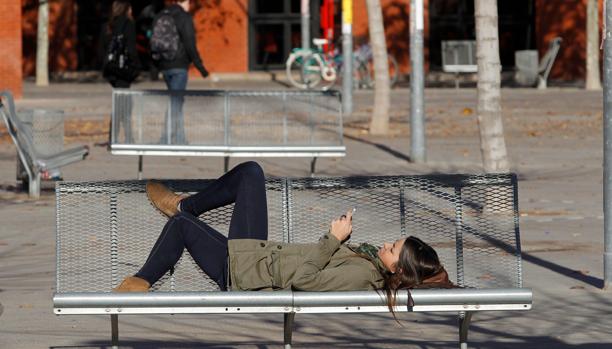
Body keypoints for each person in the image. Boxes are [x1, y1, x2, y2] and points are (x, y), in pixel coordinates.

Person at [114, 162, 453, 309]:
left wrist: (333, 239)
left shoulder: (363, 274)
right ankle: (186, 206)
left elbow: (305, 282)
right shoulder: (368, 264)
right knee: (251, 173)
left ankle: (138, 282)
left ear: (397, 270)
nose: (386, 244)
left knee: (179, 227)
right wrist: (340, 242)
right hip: (258, 258)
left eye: (392, 249)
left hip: (244, 275)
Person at [151, 0, 209, 144]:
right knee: (175, 102)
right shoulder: (184, 16)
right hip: (179, 66)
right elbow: (190, 43)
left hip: (164, 65)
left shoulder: (160, 15)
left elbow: (153, 41)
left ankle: (180, 138)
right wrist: (200, 67)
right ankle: (165, 138)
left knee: (176, 101)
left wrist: (155, 67)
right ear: (186, 2)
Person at [99, 0, 141, 144]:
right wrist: (136, 67)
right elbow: (131, 49)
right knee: (124, 104)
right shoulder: (128, 25)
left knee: (120, 101)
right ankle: (125, 138)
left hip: (111, 70)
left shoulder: (108, 26)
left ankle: (117, 138)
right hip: (124, 70)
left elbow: (101, 50)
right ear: (126, 9)